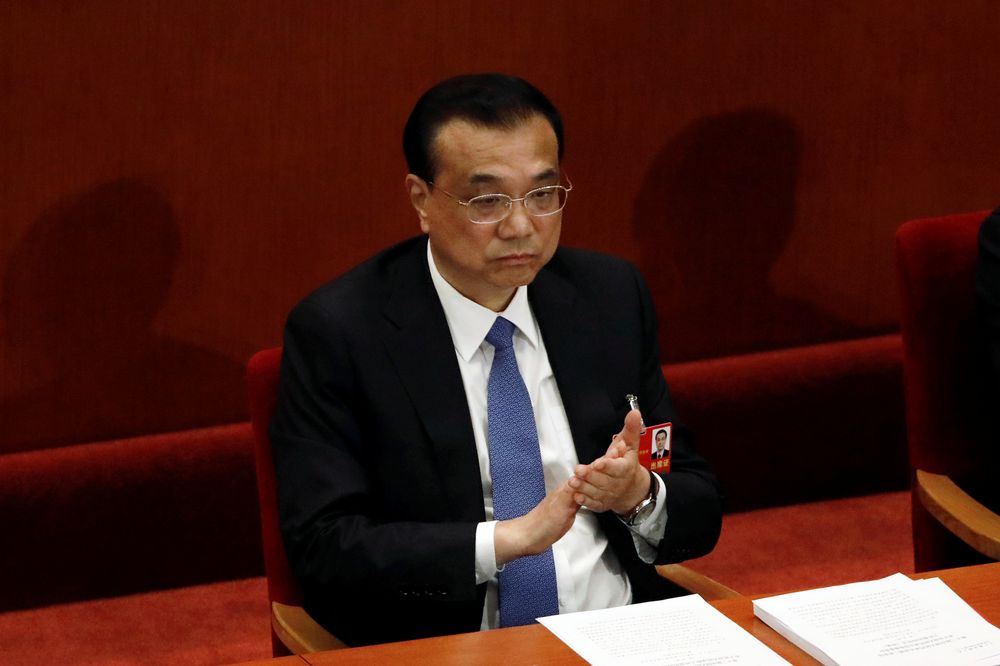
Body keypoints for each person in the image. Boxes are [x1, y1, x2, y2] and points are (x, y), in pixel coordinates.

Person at [270, 73, 722, 647]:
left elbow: (699, 501)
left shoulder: (608, 297)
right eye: (486, 199)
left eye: (542, 194)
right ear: (421, 201)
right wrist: (508, 540)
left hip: (620, 635)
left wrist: (638, 497)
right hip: (452, 648)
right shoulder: (341, 332)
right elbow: (326, 549)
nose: (520, 226)